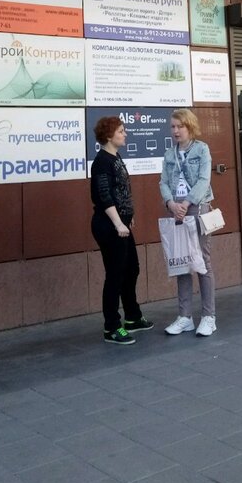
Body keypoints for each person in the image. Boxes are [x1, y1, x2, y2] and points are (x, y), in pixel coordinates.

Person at [90, 116, 153, 344]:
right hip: (109, 226)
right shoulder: (102, 161)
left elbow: (121, 190)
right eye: (121, 131)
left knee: (131, 269)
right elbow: (104, 195)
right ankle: (112, 327)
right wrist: (118, 222)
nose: (125, 134)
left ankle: (132, 317)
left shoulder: (115, 157)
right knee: (115, 274)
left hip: (122, 224)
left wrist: (128, 215)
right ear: (109, 136)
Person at [159, 108, 216, 337]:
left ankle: (209, 317)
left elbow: (204, 179)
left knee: (202, 262)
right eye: (172, 127)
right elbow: (163, 182)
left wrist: (186, 202)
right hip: (177, 210)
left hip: (197, 208)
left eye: (179, 126)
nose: (175, 130)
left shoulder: (202, 149)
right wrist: (171, 203)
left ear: (189, 126)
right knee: (181, 261)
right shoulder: (169, 154)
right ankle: (185, 317)